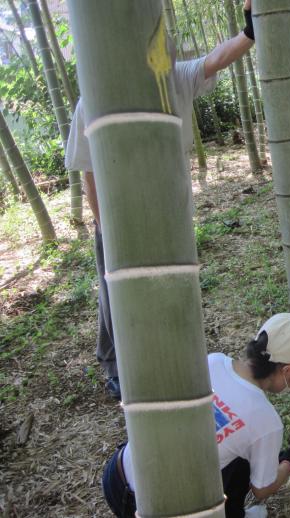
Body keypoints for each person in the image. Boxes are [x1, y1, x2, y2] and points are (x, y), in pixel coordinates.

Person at [65, 2, 255, 399]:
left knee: (170, 284)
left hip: (171, 211)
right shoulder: (96, 100)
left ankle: (168, 350)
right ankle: (115, 364)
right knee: (114, 294)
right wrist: (105, 227)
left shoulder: (175, 79)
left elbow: (219, 57)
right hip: (120, 219)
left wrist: (252, 26)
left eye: (166, 47)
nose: (165, 52)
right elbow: (89, 174)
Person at [101, 313, 290, 518]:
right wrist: (288, 464)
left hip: (116, 476)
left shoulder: (213, 361)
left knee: (240, 462)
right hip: (151, 509)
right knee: (242, 463)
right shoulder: (266, 421)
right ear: (288, 370)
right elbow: (261, 489)